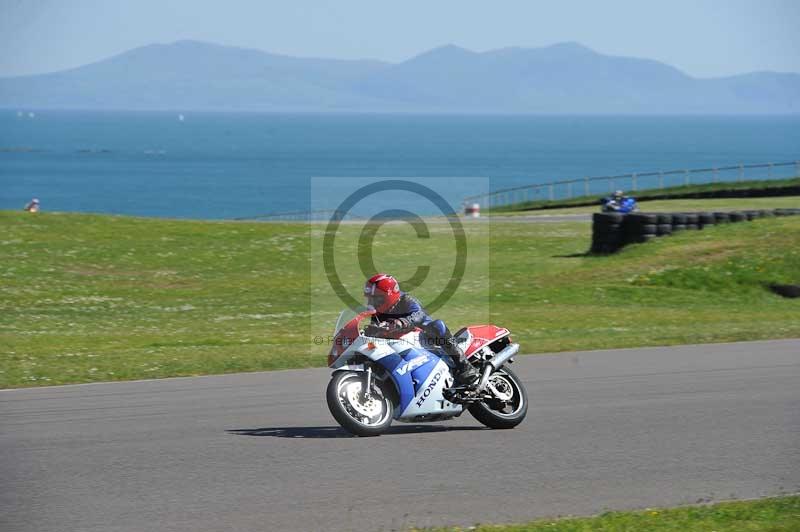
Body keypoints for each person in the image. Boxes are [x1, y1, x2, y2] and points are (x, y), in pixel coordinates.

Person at [363, 273, 480, 388]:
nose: (371, 303)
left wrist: (401, 322)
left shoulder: (406, 300)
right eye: (370, 299)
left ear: (389, 295)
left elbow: (418, 314)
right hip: (399, 343)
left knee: (437, 326)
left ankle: (465, 366)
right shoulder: (378, 312)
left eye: (376, 299)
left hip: (424, 339)